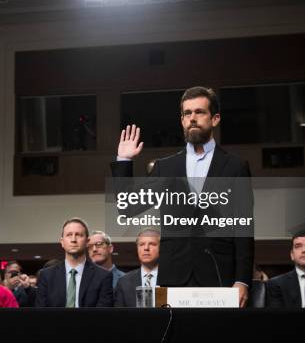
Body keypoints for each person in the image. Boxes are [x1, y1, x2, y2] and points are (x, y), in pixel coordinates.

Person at [111, 86, 253, 307]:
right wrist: (124, 161)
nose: (192, 119)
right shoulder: (165, 167)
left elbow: (244, 227)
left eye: (199, 112)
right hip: (174, 277)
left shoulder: (235, 167)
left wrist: (242, 280)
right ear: (182, 120)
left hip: (219, 274)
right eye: (187, 113)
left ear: (215, 119)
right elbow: (127, 208)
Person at [35, 217, 113, 307]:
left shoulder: (103, 276)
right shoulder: (46, 276)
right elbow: (41, 313)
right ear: (62, 242)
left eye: (79, 235)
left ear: (87, 242)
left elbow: (103, 316)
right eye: (69, 235)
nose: (73, 240)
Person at [114, 229, 160, 307]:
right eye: (141, 244)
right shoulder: (123, 282)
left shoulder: (173, 279)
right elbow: (119, 315)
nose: (146, 248)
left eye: (152, 244)